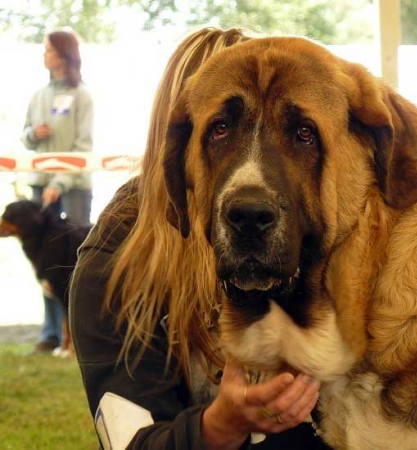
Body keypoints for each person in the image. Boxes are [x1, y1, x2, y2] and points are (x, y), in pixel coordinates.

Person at [70, 27, 330, 449]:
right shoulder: (115, 259)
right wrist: (220, 426)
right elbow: (130, 442)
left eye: (291, 135)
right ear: (177, 135)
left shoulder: (317, 228)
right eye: (223, 129)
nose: (256, 161)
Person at [22, 30, 93, 354]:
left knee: (77, 265)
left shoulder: (82, 96)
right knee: (44, 264)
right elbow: (24, 139)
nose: (44, 54)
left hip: (74, 187)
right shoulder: (37, 95)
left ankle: (79, 333)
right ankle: (51, 334)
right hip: (40, 185)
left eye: (49, 49)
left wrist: (59, 183)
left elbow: (83, 147)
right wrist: (32, 134)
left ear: (63, 55)